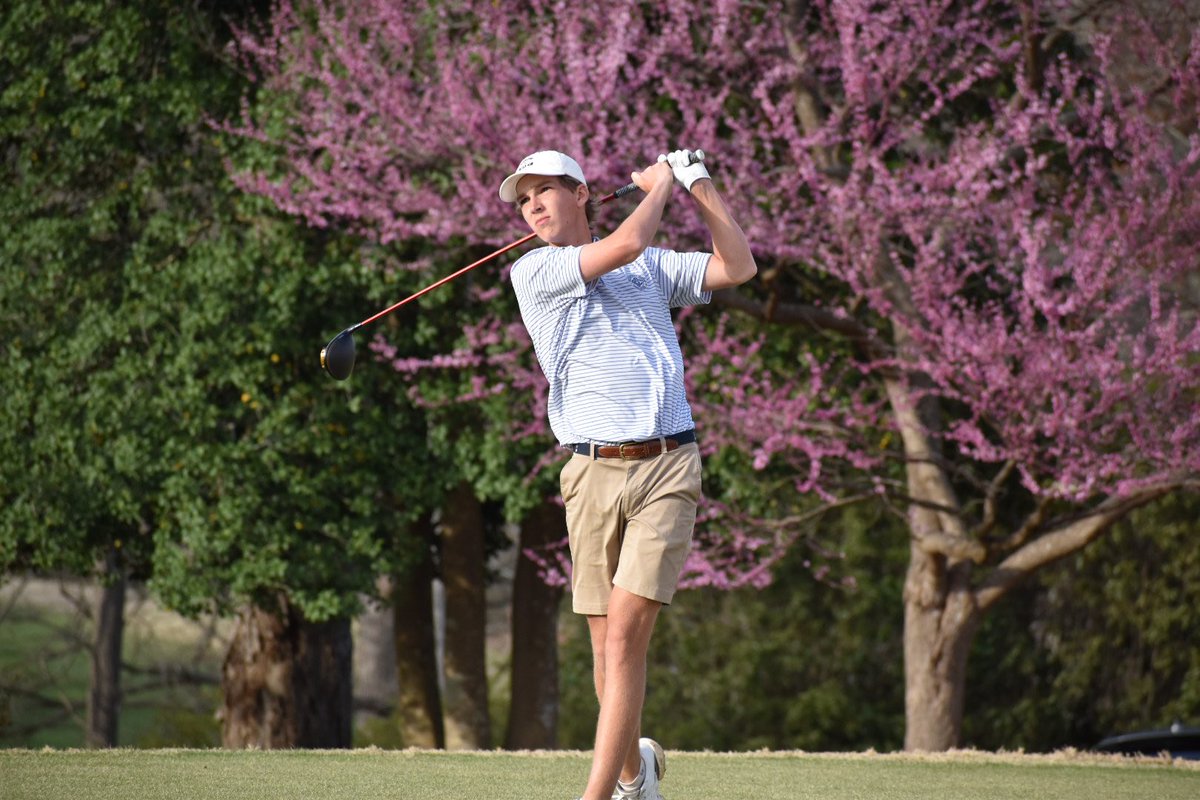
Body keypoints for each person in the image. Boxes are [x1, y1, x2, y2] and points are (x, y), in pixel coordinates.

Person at [498, 148, 756, 800]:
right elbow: (630, 236)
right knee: (603, 649)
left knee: (625, 643)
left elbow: (740, 266)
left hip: (668, 466)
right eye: (523, 198)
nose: (531, 205)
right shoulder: (535, 270)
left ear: (582, 193)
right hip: (589, 475)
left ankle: (596, 797)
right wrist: (662, 183)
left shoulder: (648, 266)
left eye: (545, 190)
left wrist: (698, 185)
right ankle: (636, 777)